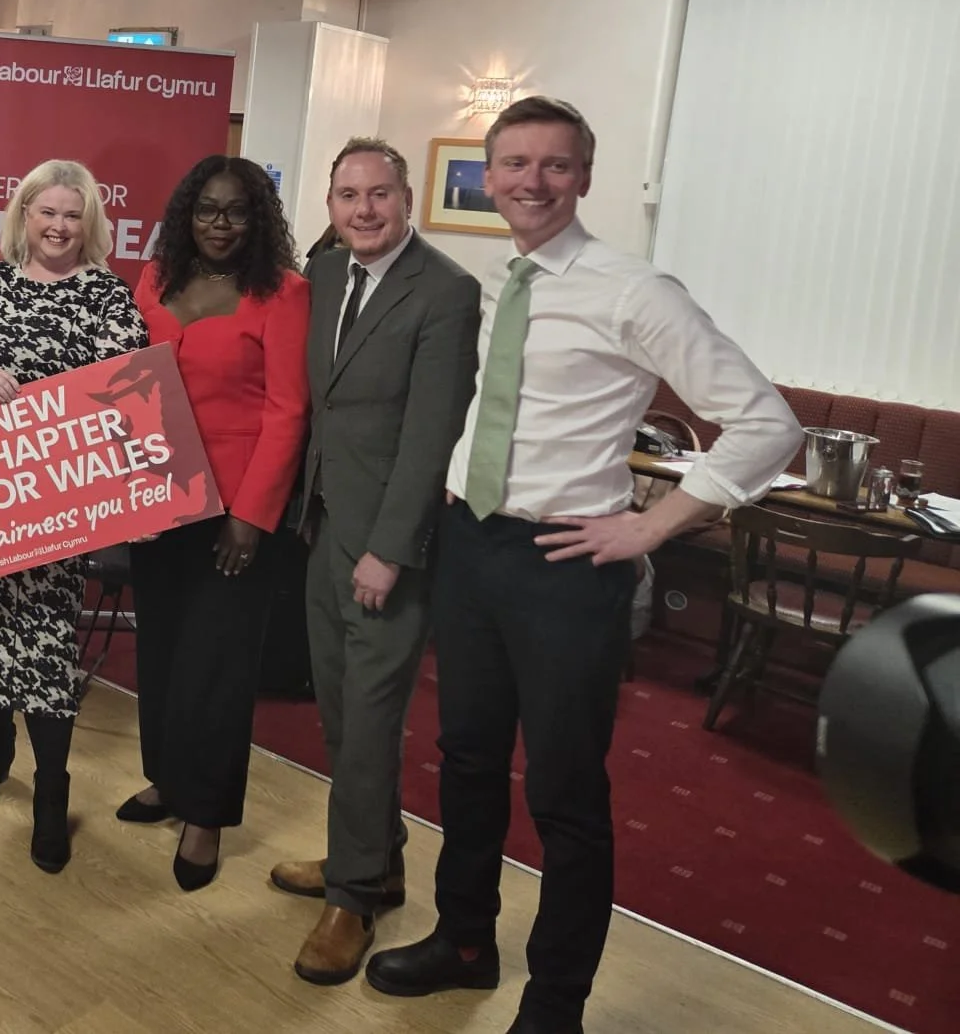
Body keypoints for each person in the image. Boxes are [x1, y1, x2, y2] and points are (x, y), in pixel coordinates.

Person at [364, 96, 801, 1034]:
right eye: (513, 164)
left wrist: (653, 527)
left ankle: (556, 1003)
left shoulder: (636, 290)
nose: (531, 182)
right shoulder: (495, 278)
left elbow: (770, 424)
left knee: (565, 792)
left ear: (586, 177)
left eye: (553, 165)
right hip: (474, 547)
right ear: (489, 176)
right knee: (468, 762)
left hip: (567, 567)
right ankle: (464, 943)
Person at [267, 139, 481, 987]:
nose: (364, 209)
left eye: (380, 194)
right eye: (348, 194)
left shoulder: (448, 292)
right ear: (329, 204)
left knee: (369, 723)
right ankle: (375, 858)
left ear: (407, 199)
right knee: (340, 716)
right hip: (321, 528)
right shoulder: (323, 277)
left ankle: (354, 899)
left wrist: (391, 551)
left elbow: (433, 436)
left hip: (388, 547)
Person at [0, 159, 147, 872]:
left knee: (44, 651)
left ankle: (54, 787)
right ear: (23, 215)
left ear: (90, 223)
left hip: (59, 505)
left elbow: (128, 389)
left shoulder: (107, 295)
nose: (57, 226)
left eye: (71, 215)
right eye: (45, 212)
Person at [121, 156, 310, 891]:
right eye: (206, 210)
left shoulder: (285, 293)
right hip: (160, 500)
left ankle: (206, 816)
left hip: (236, 511)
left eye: (235, 211)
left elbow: (289, 411)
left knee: (220, 667)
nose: (220, 224)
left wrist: (253, 517)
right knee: (163, 652)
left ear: (256, 217)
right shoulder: (156, 278)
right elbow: (128, 380)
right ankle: (167, 780)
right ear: (186, 216)